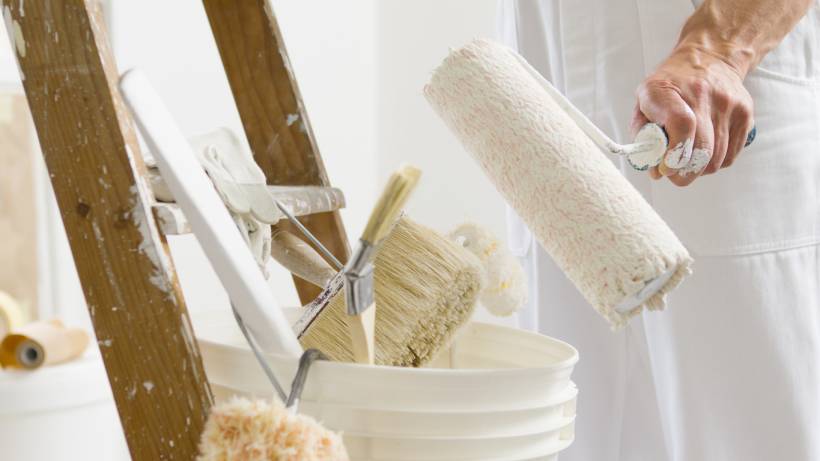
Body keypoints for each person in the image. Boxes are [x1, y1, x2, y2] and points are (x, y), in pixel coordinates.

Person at [497, 1, 819, 459]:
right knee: (567, 434)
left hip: (709, 76)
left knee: (746, 435)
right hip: (540, 79)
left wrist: (722, 50)